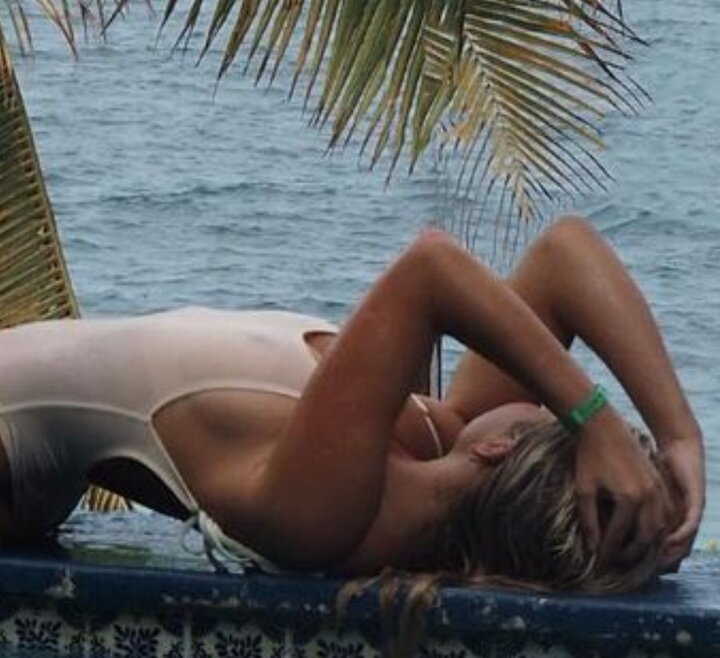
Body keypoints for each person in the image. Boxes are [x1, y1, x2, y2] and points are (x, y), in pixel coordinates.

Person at [0, 216, 705, 592]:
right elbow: (562, 254)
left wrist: (594, 421)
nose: (543, 398)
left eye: (546, 414)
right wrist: (679, 438)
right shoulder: (443, 438)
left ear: (500, 449)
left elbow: (431, 267)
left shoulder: (329, 514)